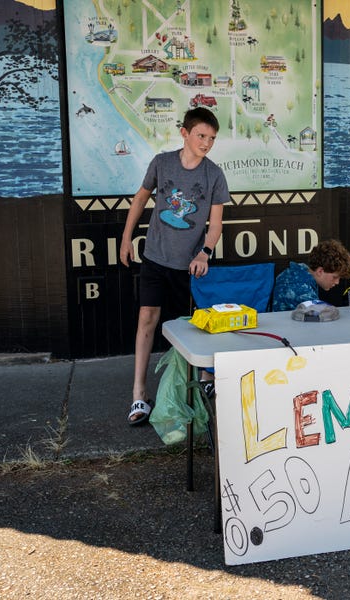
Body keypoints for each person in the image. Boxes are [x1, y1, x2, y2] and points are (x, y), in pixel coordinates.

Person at [119, 107, 230, 426]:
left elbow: (216, 223)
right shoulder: (162, 162)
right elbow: (139, 200)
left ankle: (198, 383)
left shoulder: (214, 175)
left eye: (211, 138)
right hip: (154, 257)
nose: (206, 143)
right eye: (201, 136)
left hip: (189, 267)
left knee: (189, 328)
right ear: (185, 132)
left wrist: (204, 253)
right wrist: (127, 238)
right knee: (146, 320)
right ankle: (139, 395)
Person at [271, 239, 350, 311]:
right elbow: (323, 317)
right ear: (320, 271)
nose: (337, 282)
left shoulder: (300, 271)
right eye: (335, 277)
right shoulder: (300, 289)